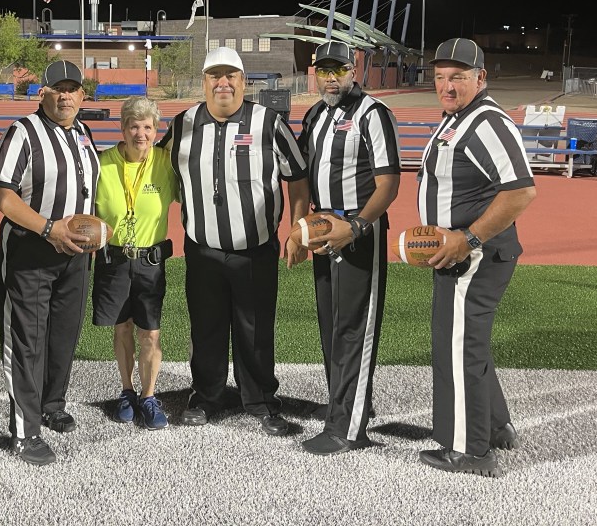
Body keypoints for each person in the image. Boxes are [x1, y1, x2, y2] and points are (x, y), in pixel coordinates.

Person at [159, 46, 309, 436]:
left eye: (231, 76)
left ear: (243, 81)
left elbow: (297, 176)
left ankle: (260, 399)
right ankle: (206, 396)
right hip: (202, 248)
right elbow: (154, 169)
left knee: (255, 328)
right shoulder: (182, 124)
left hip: (255, 249)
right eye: (215, 76)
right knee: (205, 327)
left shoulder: (268, 123)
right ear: (204, 81)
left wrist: (298, 229)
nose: (222, 83)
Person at [416, 37, 536, 478]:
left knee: (458, 347)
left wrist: (467, 238)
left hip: (476, 257)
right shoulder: (459, 117)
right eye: (440, 77)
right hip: (462, 255)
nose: (447, 86)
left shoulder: (486, 121)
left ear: (480, 77)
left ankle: (470, 450)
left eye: (458, 77)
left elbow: (521, 191)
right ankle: (496, 426)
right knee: (467, 342)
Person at [0, 60, 102, 466]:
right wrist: (49, 228)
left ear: (82, 95)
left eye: (73, 89)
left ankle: (52, 404)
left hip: (74, 254)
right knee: (28, 338)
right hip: (31, 247)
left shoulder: (83, 132)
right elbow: (1, 195)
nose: (66, 96)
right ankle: (24, 430)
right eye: (58, 89)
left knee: (64, 333)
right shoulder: (23, 131)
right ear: (44, 93)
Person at [296, 40, 402, 455]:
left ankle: (348, 428)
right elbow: (301, 175)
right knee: (331, 325)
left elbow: (389, 183)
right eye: (323, 70)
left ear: (352, 70)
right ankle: (347, 404)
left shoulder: (373, 114)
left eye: (338, 70)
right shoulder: (314, 114)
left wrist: (356, 227)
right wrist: (300, 228)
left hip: (359, 230)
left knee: (355, 327)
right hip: (324, 229)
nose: (330, 78)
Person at [93, 97, 179, 430]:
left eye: (147, 127)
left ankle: (149, 395)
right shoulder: (103, 163)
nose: (140, 134)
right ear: (123, 128)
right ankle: (127, 391)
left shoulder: (165, 163)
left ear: (156, 131)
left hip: (150, 262)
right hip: (113, 259)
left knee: (151, 334)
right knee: (122, 328)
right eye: (133, 126)